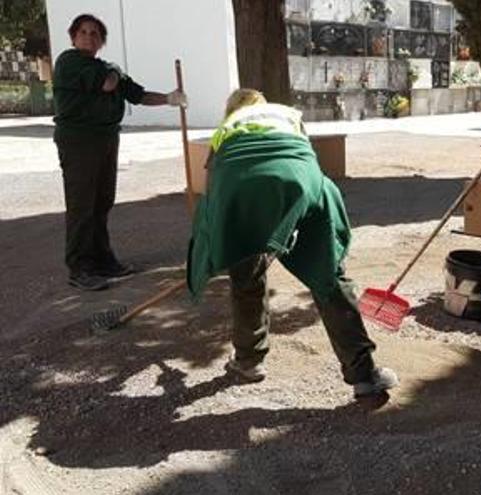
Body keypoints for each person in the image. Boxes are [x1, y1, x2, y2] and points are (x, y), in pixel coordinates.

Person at [186, 89, 398, 398]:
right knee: (328, 274)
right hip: (300, 176)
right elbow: (301, 163)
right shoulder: (286, 114)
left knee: (247, 275)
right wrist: (290, 223)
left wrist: (223, 242)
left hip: (240, 188)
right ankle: (363, 373)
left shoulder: (227, 129)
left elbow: (214, 186)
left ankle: (248, 361)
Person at [53, 14, 187, 291]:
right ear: (73, 37)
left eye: (95, 33)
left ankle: (103, 260)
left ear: (102, 40)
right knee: (82, 206)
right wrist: (114, 71)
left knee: (102, 202)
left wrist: (169, 99)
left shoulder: (105, 67)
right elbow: (108, 84)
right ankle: (80, 268)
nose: (89, 37)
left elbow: (137, 95)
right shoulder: (70, 62)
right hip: (79, 141)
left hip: (105, 138)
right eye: (84, 32)